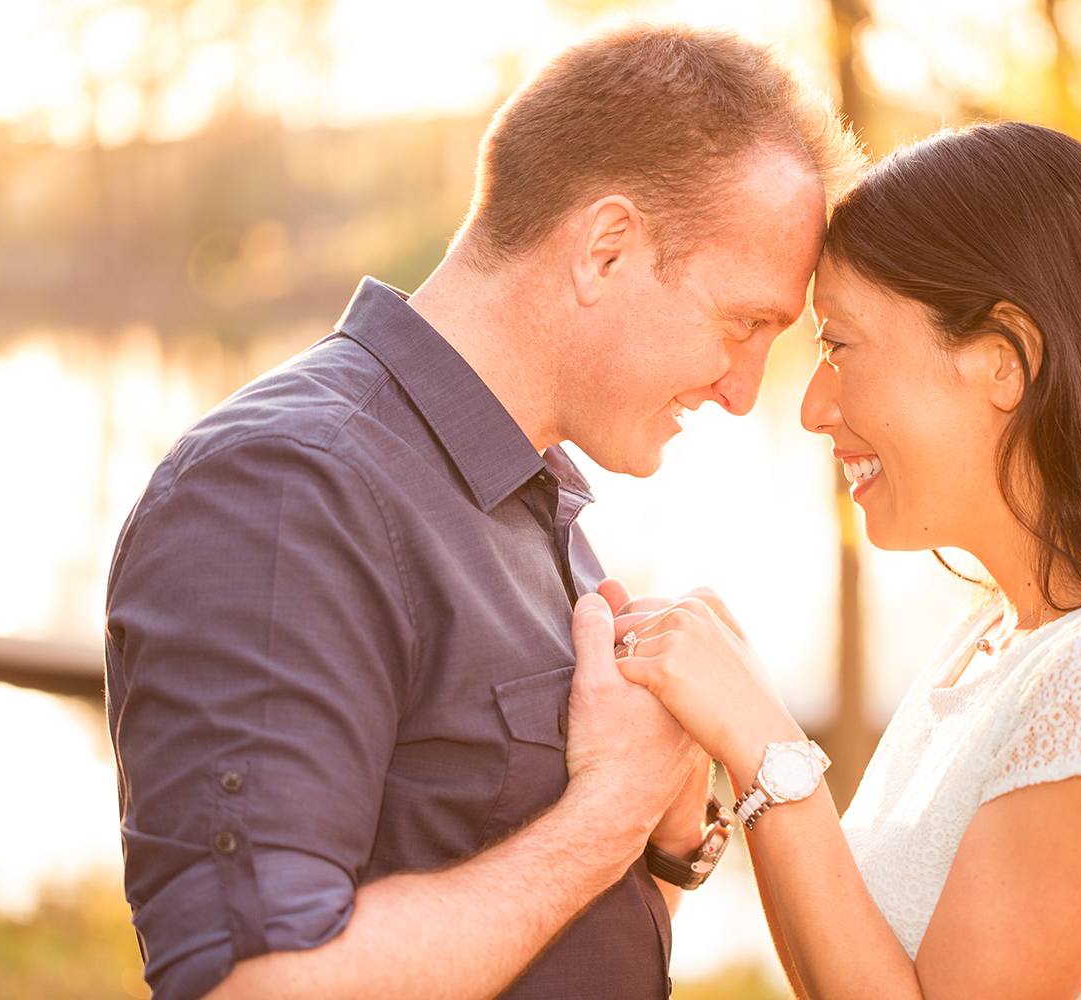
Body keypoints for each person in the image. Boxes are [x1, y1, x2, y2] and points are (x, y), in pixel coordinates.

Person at [103, 20, 862, 1000]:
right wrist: (611, 811)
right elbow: (256, 986)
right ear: (606, 249)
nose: (747, 391)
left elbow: (558, 940)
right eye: (743, 322)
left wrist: (670, 840)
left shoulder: (527, 502)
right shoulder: (291, 491)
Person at [606, 121, 1081, 1000]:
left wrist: (767, 747)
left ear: (1002, 364)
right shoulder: (999, 640)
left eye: (840, 346)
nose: (812, 407)